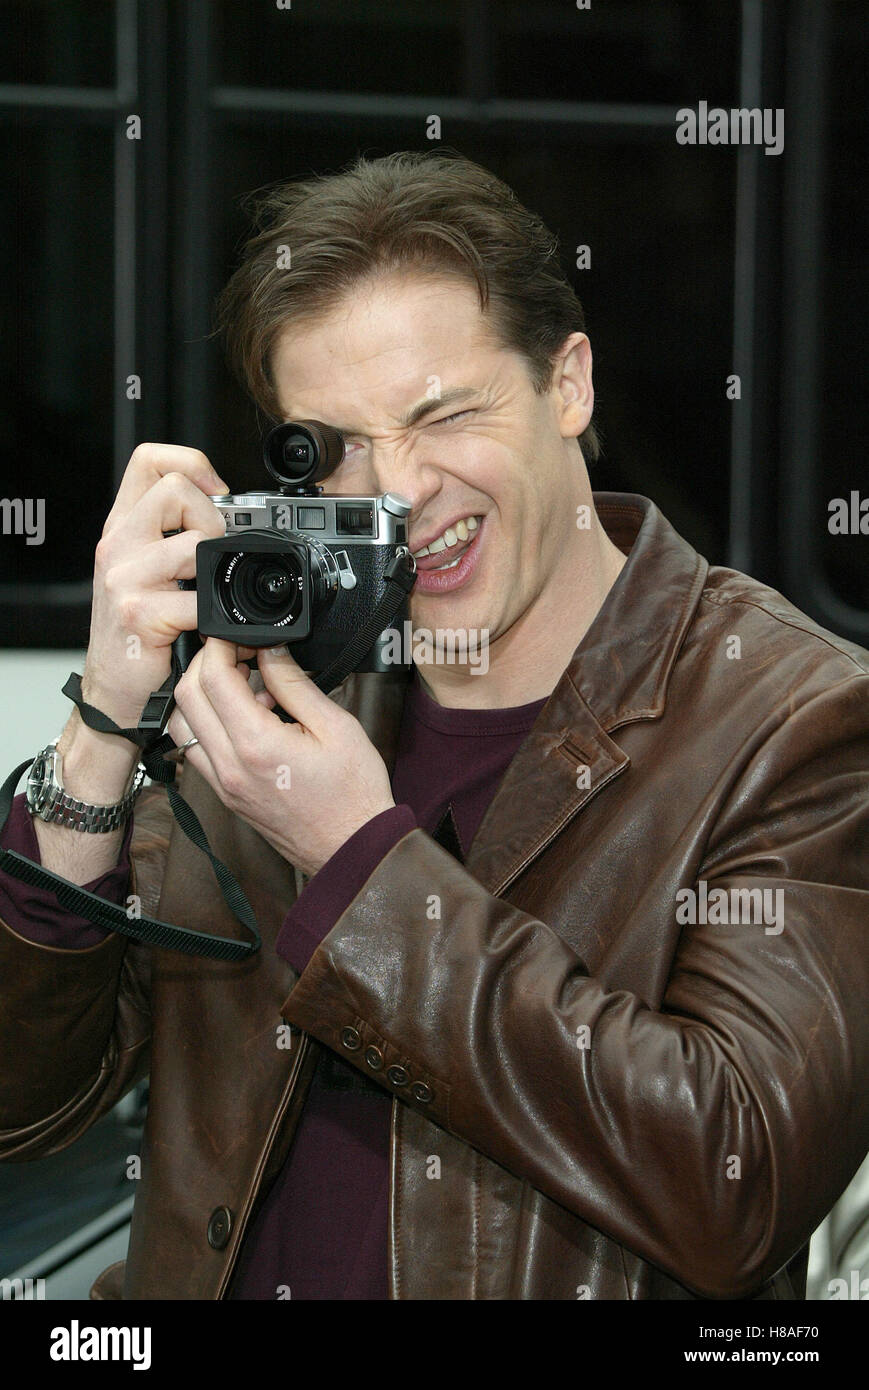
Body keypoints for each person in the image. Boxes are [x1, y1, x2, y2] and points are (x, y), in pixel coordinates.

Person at [1, 151, 867, 1301]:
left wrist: (360, 863)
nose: (401, 491)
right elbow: (25, 1105)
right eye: (340, 446)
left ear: (568, 384)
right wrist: (102, 729)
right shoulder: (283, 688)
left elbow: (735, 1186)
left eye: (444, 414)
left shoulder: (794, 717)